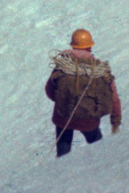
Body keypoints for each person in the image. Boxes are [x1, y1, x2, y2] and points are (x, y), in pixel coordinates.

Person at [46, 28, 121, 157]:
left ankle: (61, 172)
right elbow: (113, 98)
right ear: (90, 46)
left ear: (72, 45)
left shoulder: (63, 66)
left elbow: (49, 91)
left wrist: (65, 102)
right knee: (99, 148)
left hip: (63, 118)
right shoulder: (99, 70)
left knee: (63, 154)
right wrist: (115, 120)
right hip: (89, 120)